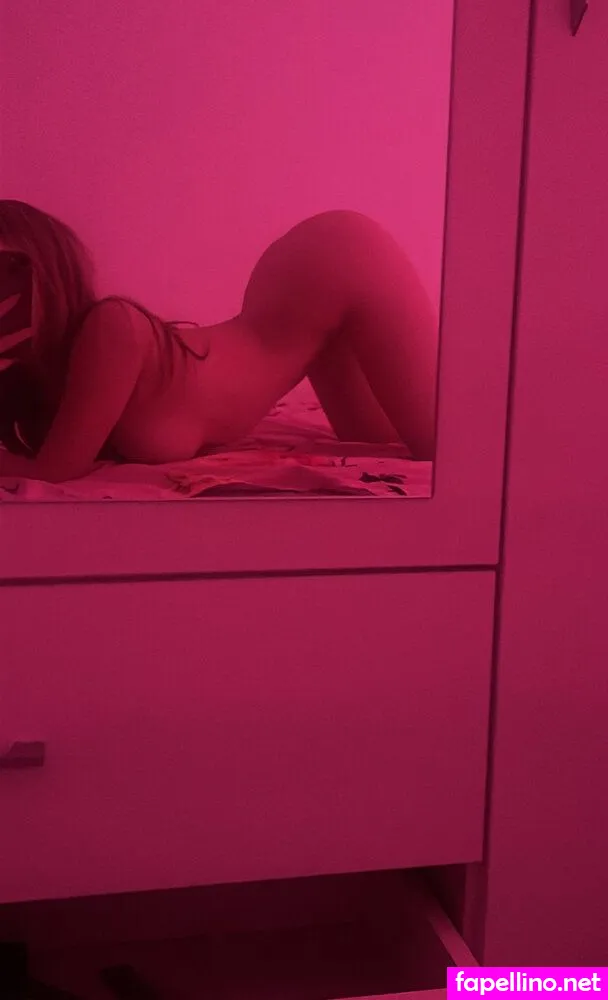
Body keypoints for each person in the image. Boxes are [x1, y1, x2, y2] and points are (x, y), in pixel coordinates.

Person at [0, 201, 438, 483]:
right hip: (299, 315)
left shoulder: (111, 328)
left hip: (336, 257)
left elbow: (56, 469)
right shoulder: (53, 373)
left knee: (448, 448)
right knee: (375, 440)